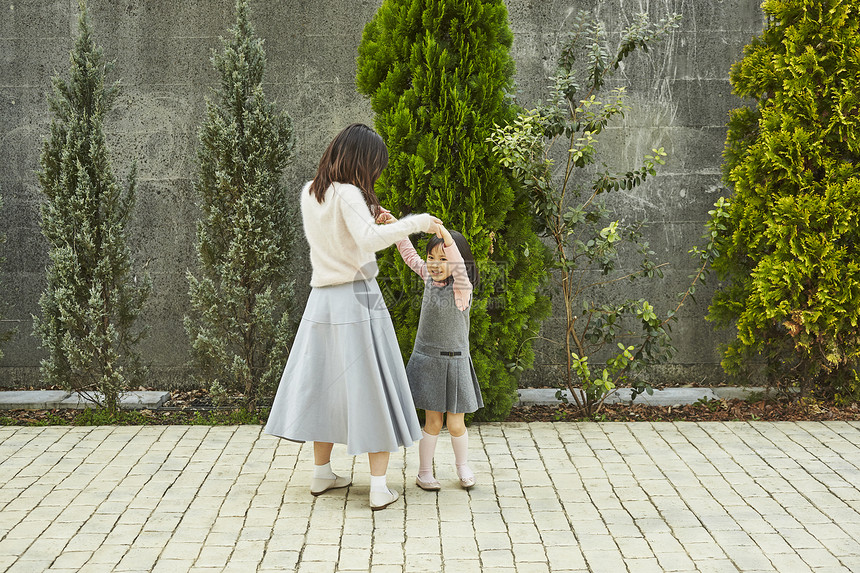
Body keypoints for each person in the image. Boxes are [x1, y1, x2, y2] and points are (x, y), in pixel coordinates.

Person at [264, 123, 443, 511]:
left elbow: (342, 235)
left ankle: (322, 473)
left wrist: (376, 215)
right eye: (374, 165)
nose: (375, 173)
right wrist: (418, 222)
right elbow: (364, 241)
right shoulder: (348, 193)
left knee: (324, 388)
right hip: (357, 299)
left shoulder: (312, 192)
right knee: (371, 388)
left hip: (322, 302)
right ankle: (378, 487)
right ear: (361, 160)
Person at [382, 217, 483, 490]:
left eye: (443, 257)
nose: (435, 264)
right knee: (433, 422)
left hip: (456, 362)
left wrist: (443, 234)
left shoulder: (462, 287)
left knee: (456, 424)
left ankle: (462, 467)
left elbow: (458, 265)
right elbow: (408, 254)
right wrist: (395, 224)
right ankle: (424, 472)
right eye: (431, 257)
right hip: (430, 361)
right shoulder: (428, 278)